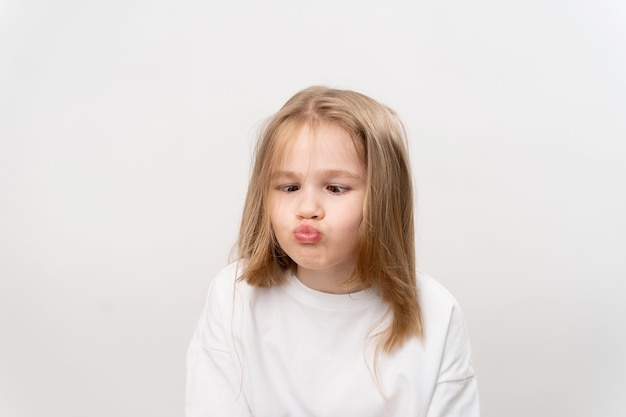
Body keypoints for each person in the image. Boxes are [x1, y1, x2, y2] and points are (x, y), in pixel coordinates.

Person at [186, 86, 480, 416]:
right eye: (289, 187)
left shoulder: (436, 313)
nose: (307, 208)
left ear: (382, 198)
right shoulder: (234, 298)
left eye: (336, 188)